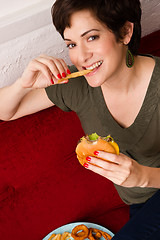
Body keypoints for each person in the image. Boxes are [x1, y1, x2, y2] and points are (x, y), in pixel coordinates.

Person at [0, 0, 160, 238]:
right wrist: (23, 85)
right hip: (141, 206)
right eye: (72, 44)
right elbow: (6, 111)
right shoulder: (76, 84)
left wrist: (144, 176)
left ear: (125, 32)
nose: (81, 56)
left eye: (92, 37)